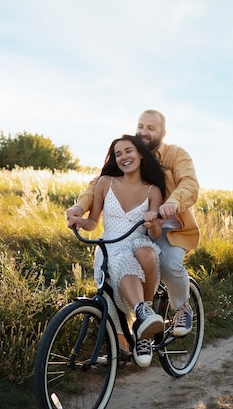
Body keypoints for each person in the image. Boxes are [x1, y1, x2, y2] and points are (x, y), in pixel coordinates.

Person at [67, 110, 200, 337]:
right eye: (141, 126)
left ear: (163, 133)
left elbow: (189, 183)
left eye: (150, 128)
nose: (143, 132)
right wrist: (80, 207)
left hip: (166, 228)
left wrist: (173, 203)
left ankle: (182, 307)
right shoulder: (129, 154)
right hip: (132, 230)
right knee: (115, 273)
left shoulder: (176, 155)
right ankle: (126, 336)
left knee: (167, 263)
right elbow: (98, 183)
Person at [67, 135, 166, 368]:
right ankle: (128, 340)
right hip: (108, 245)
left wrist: (153, 223)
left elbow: (156, 235)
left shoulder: (153, 191)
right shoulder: (105, 183)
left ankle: (143, 321)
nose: (123, 157)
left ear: (141, 154)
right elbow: (93, 222)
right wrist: (80, 221)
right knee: (111, 290)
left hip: (137, 244)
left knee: (138, 257)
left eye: (128, 151)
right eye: (118, 153)